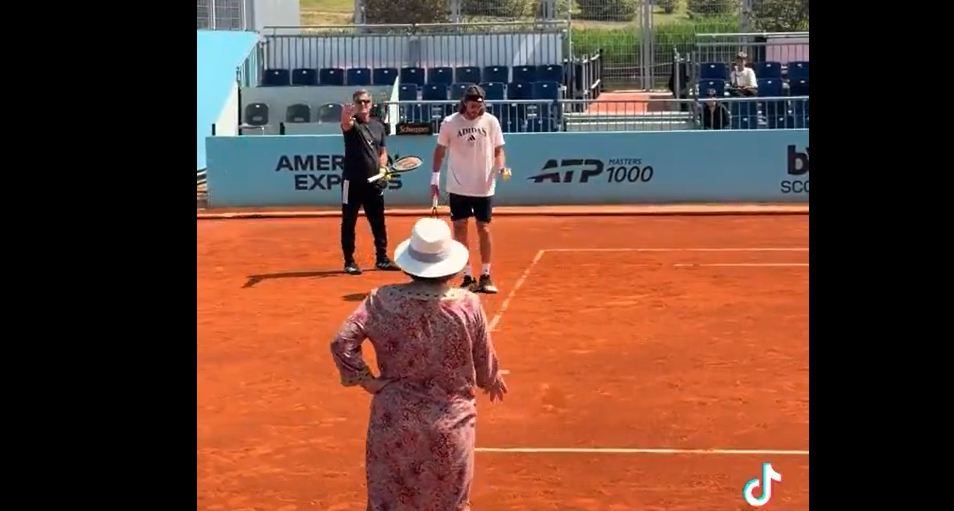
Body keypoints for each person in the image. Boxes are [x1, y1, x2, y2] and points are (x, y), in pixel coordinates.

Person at [330, 217, 509, 511]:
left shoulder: (381, 300)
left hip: (393, 423)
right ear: (450, 265)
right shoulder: (468, 305)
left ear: (409, 262)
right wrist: (491, 377)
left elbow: (342, 343)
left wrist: (367, 380)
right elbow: (483, 363)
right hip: (450, 425)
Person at [431, 84, 510, 294]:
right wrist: (435, 177)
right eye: (472, 105)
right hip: (458, 186)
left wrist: (501, 167)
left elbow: (498, 150)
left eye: (479, 105)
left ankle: (485, 275)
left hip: (483, 186)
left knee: (483, 228)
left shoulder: (491, 121)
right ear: (465, 103)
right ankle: (467, 276)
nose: (475, 109)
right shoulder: (450, 123)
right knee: (460, 228)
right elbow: (439, 151)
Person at [340, 89, 400, 275]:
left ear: (371, 103)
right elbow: (345, 123)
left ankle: (382, 258)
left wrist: (382, 169)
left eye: (366, 101)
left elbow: (382, 152)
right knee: (349, 222)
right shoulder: (352, 125)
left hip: (374, 183)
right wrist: (345, 115)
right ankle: (349, 261)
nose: (363, 105)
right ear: (354, 105)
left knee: (378, 222)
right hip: (352, 183)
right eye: (359, 102)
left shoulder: (378, 126)